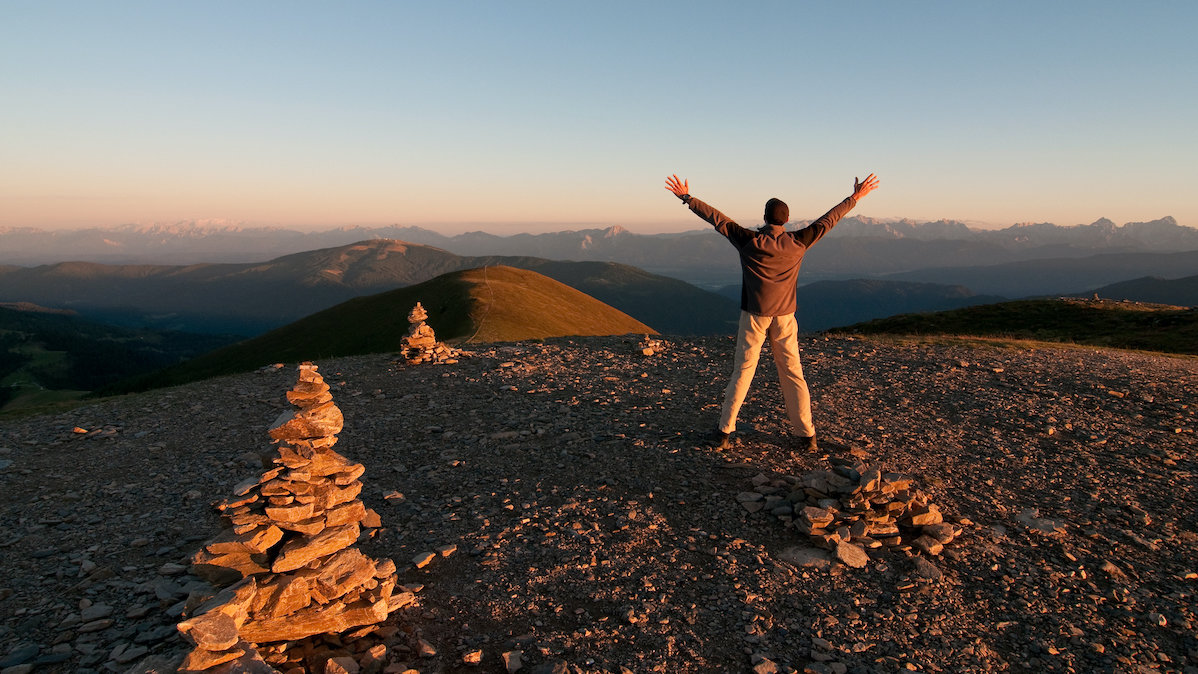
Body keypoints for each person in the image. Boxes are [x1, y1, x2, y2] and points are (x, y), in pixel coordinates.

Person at [664, 172, 880, 452]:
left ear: (764, 218)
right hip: (786, 317)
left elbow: (717, 219)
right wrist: (855, 197)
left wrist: (687, 198)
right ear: (787, 220)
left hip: (754, 315)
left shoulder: (748, 240)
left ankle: (724, 432)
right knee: (793, 373)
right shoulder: (800, 241)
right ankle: (807, 435)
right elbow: (829, 220)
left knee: (743, 370)